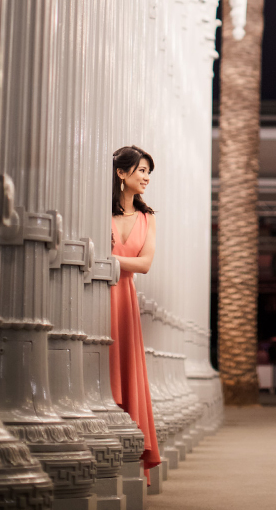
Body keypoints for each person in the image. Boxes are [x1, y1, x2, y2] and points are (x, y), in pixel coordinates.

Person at [108, 145, 163, 482]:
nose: (145, 178)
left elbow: (144, 264)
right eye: (141, 170)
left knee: (126, 368)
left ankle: (127, 456)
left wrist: (108, 260)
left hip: (124, 299)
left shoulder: (147, 217)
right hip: (97, 296)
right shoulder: (100, 213)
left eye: (148, 172)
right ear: (121, 173)